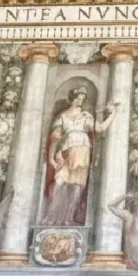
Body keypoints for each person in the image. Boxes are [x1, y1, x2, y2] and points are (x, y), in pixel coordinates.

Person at [42, 88, 115, 226]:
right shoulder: (62, 116)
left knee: (76, 187)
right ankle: (51, 217)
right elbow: (55, 138)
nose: (80, 101)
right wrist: (51, 158)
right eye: (78, 98)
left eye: (82, 99)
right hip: (66, 150)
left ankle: (68, 217)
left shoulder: (85, 115)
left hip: (82, 150)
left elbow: (99, 128)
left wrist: (112, 113)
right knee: (59, 182)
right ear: (72, 98)